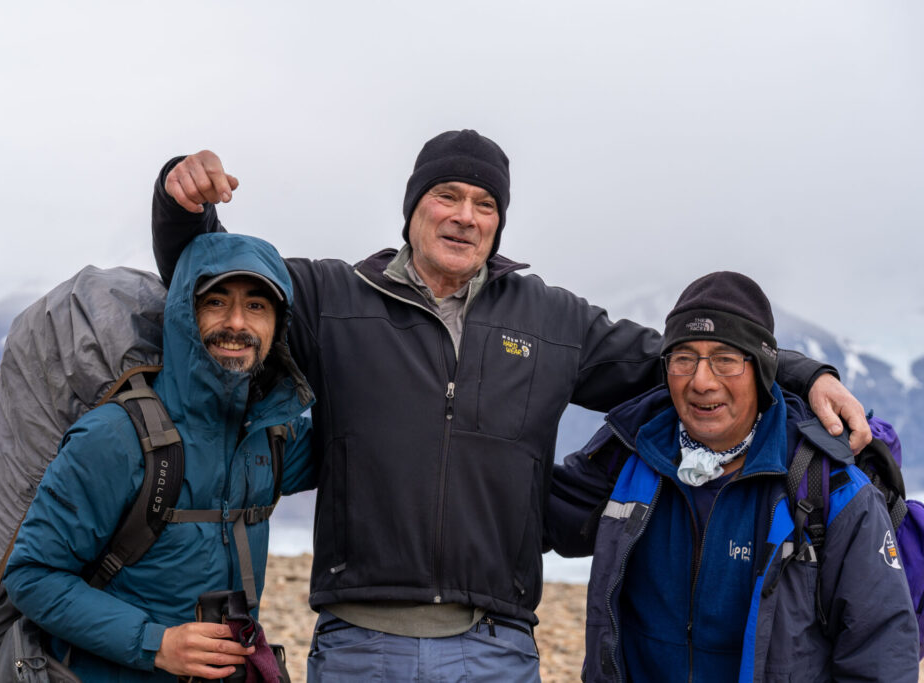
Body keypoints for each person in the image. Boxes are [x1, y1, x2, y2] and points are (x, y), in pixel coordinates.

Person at [150, 130, 871, 681]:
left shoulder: (551, 319)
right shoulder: (333, 299)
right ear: (413, 208)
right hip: (360, 642)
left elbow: (681, 362)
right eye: (448, 196)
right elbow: (210, 283)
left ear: (499, 222)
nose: (465, 216)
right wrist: (179, 203)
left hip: (494, 647)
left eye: (485, 204)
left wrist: (802, 373)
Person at [544, 271, 919, 682]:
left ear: (762, 370)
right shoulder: (628, 455)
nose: (702, 382)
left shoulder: (826, 484)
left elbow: (879, 650)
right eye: (683, 359)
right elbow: (533, 518)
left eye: (726, 360)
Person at [4, 232, 315, 681]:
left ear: (277, 326)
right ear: (185, 315)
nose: (236, 323)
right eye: (216, 302)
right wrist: (156, 643)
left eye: (256, 306)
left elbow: (363, 448)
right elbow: (32, 576)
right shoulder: (115, 437)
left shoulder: (271, 437)